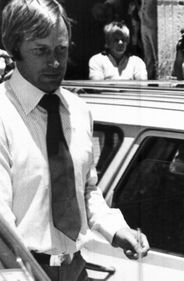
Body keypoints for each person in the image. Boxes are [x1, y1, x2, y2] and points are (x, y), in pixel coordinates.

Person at [0, 1, 149, 280]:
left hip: (76, 267)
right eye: (41, 51)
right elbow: (1, 228)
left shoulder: (78, 111)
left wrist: (116, 230)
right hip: (19, 271)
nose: (56, 63)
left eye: (62, 49)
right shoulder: (3, 116)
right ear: (14, 49)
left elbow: (86, 189)